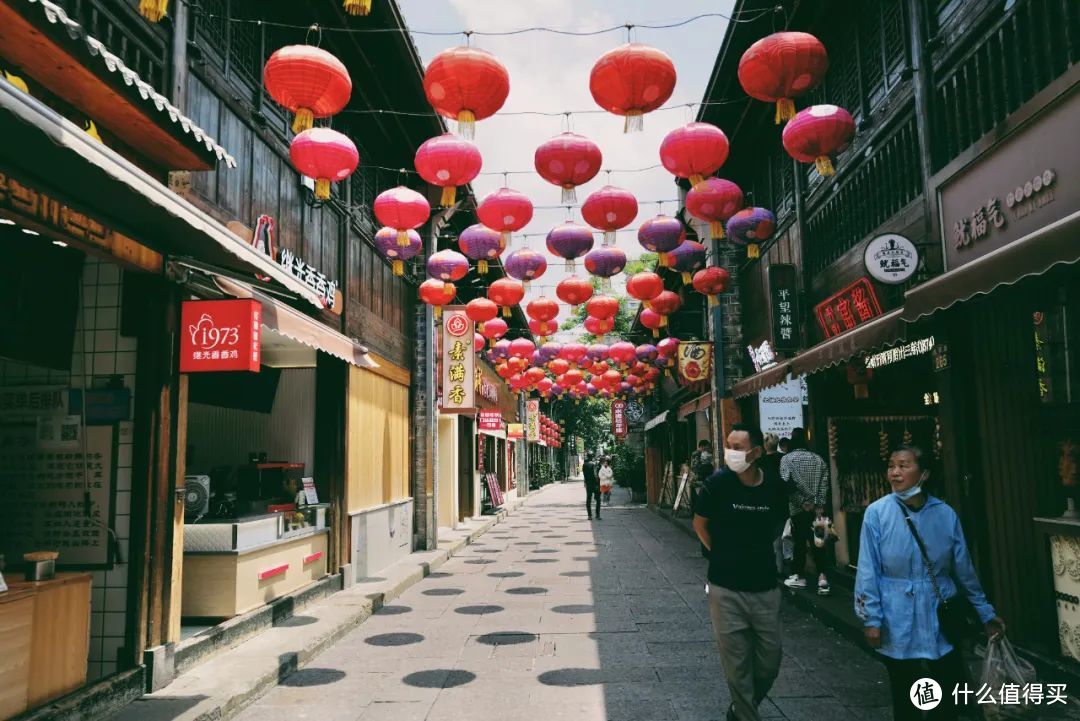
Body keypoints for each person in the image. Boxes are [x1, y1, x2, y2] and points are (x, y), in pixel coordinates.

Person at [855, 445, 1005, 721]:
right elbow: (868, 570)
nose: (895, 472)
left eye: (903, 465)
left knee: (946, 696)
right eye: (891, 466)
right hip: (897, 615)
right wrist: (871, 619)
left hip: (939, 613)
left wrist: (985, 612)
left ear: (923, 474)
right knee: (906, 695)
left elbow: (964, 570)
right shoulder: (877, 513)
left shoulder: (945, 514)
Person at [694, 424, 788, 721]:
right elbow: (700, 524)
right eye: (729, 445)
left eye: (738, 447)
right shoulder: (717, 484)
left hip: (765, 586)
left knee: (769, 663)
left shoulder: (773, 486)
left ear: (757, 452)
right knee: (736, 666)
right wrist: (720, 553)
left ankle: (739, 709)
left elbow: (776, 526)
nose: (731, 452)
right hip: (725, 587)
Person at [781, 427, 832, 595]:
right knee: (819, 543)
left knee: (800, 543)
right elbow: (825, 484)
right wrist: (818, 504)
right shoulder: (819, 460)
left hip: (798, 509)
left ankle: (799, 576)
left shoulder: (787, 460)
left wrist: (802, 502)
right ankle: (823, 579)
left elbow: (786, 485)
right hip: (818, 510)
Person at [583, 454, 600, 520]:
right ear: (592, 457)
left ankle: (589, 515)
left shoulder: (584, 465)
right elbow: (595, 475)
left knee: (588, 499)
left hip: (588, 484)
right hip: (595, 484)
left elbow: (584, 475)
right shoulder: (594, 464)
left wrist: (585, 483)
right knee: (598, 499)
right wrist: (597, 484)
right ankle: (597, 515)